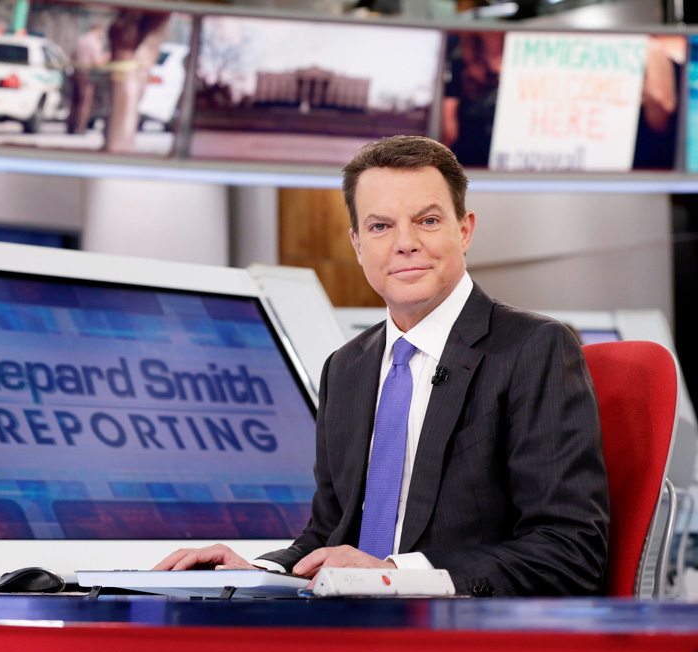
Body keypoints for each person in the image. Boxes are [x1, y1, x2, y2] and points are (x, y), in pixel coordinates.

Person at [154, 135, 610, 597]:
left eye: (428, 221)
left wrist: (396, 572)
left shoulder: (533, 348)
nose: (405, 244)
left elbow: (569, 551)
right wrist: (254, 573)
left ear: (465, 230)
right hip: (347, 632)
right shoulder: (346, 368)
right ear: (356, 244)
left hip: (461, 640)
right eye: (380, 227)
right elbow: (329, 535)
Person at [67, 24, 109, 135]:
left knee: (74, 102)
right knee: (84, 103)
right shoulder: (94, 42)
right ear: (96, 30)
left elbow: (71, 56)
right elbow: (97, 62)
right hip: (87, 76)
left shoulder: (80, 40)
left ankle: (70, 127)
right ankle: (80, 128)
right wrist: (107, 57)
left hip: (76, 73)